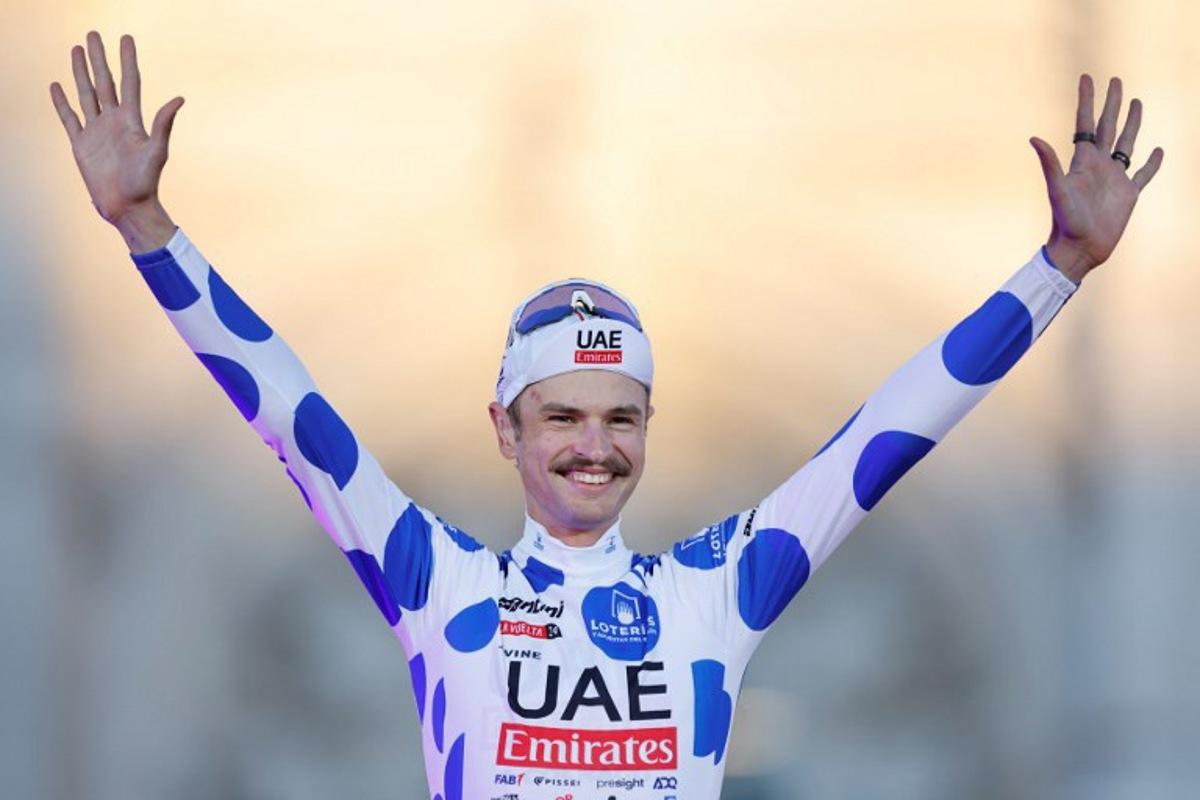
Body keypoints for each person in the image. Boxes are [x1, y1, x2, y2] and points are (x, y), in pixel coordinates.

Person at [50, 30, 1163, 800]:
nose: (595, 446)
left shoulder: (715, 593)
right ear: (505, 429)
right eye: (564, 417)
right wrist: (147, 228)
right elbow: (291, 414)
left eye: (621, 419)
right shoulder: (442, 585)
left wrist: (1060, 266)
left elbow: (890, 431)